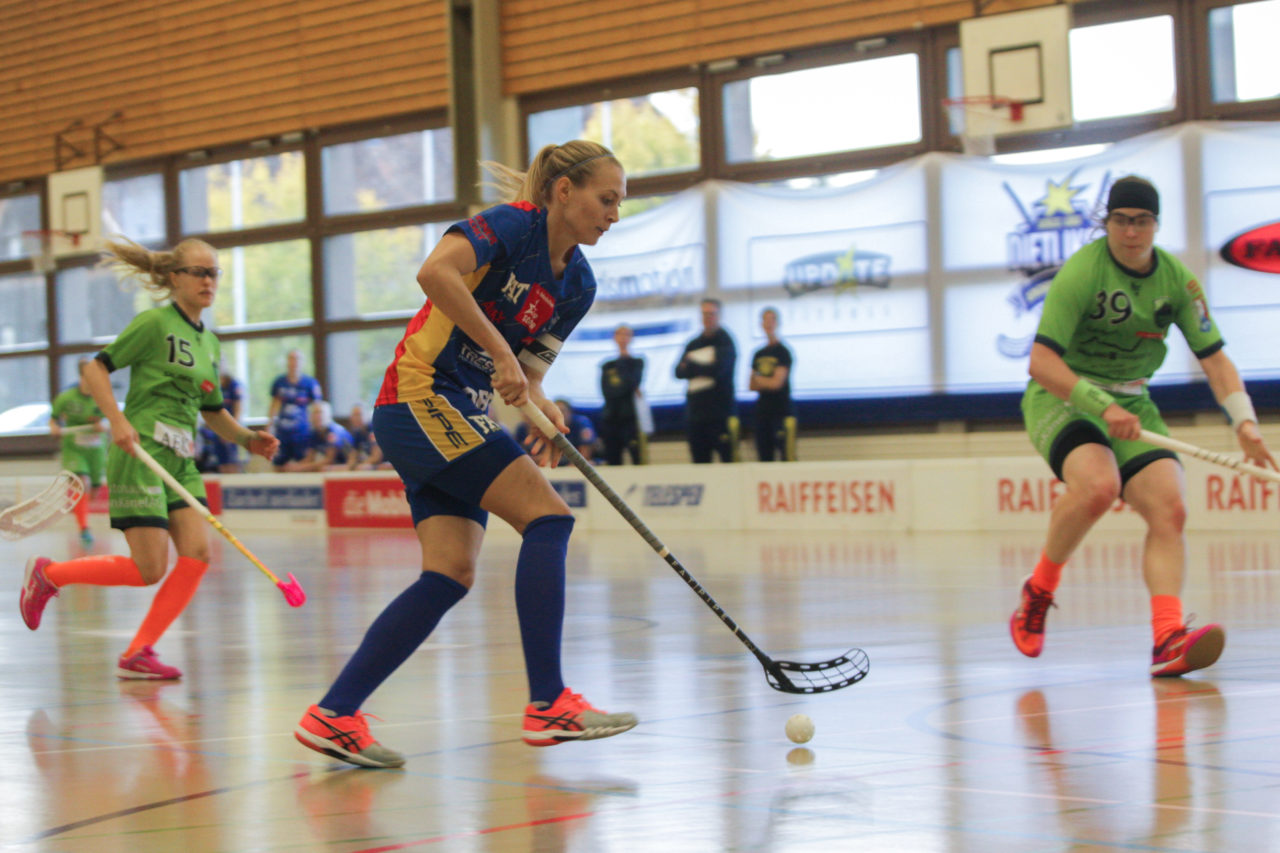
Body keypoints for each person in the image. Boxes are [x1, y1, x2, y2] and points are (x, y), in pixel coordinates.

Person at [293, 140, 637, 768]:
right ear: (565, 191)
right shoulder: (512, 226)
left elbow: (529, 376)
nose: (614, 213)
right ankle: (547, 702)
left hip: (462, 411)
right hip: (420, 395)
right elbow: (435, 274)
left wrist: (542, 405)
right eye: (606, 198)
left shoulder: (579, 284)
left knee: (449, 573)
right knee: (550, 519)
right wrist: (501, 356)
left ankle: (335, 713)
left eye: (619, 203)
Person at [1011, 175, 1276, 678]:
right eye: (1120, 221)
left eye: (1141, 222)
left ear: (1156, 225)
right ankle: (1039, 590)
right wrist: (1099, 405)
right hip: (1063, 396)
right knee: (1098, 485)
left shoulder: (1177, 281)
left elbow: (1216, 361)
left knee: (1170, 509)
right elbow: (1041, 363)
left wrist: (1246, 424)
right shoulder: (1082, 273)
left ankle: (1166, 639)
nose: (1130, 232)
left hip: (1132, 399)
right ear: (1107, 223)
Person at [20, 237, 279, 679]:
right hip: (141, 452)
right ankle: (50, 575)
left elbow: (212, 410)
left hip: (180, 460)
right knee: (149, 569)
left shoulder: (209, 344)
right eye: (198, 272)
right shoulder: (154, 324)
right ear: (174, 278)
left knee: (197, 553)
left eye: (214, 272)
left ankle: (139, 650)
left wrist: (246, 439)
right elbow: (94, 369)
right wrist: (117, 420)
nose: (207, 281)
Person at [50, 358, 109, 546]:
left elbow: (112, 420)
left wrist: (103, 426)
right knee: (81, 483)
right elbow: (53, 420)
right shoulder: (66, 398)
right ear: (81, 377)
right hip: (74, 449)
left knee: (94, 489)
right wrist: (55, 428)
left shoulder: (103, 397)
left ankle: (79, 507)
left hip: (96, 450)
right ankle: (84, 528)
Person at [674, 298, 737, 463]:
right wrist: (704, 366)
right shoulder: (694, 343)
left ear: (718, 316)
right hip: (696, 415)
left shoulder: (726, 342)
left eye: (711, 314)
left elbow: (718, 371)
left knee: (727, 462)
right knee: (699, 463)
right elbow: (678, 371)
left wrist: (692, 365)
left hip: (719, 414)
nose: (707, 318)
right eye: (704, 314)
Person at [748, 307, 796, 462]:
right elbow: (751, 384)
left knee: (785, 456)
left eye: (772, 320)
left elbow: (777, 383)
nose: (768, 324)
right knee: (764, 457)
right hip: (762, 412)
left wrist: (761, 380)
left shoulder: (783, 352)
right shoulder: (758, 354)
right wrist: (764, 381)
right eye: (765, 320)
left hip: (781, 411)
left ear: (777, 323)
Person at [598, 324, 646, 465]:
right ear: (614, 337)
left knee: (637, 457)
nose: (623, 338)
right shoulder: (607, 365)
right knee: (612, 458)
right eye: (620, 334)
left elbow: (632, 383)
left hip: (630, 418)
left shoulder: (637, 362)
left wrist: (623, 361)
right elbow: (607, 391)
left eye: (627, 335)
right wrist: (625, 389)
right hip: (611, 417)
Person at [268, 349, 323, 471]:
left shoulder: (310, 384)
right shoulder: (279, 382)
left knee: (305, 464)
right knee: (278, 464)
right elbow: (274, 406)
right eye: (291, 359)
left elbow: (317, 406)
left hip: (302, 432)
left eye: (297, 359)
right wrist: (270, 426)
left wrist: (316, 427)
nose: (294, 362)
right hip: (282, 432)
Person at [515, 398, 597, 465]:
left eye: (563, 411)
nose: (560, 414)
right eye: (557, 410)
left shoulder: (581, 423)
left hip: (571, 465)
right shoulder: (526, 427)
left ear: (570, 412)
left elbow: (585, 453)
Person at [195, 368, 244, 474]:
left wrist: (231, 430)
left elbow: (238, 408)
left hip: (230, 428)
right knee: (221, 462)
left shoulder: (233, 385)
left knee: (232, 461)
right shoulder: (211, 384)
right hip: (217, 429)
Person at [283, 400, 355, 472]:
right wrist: (296, 466)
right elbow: (310, 458)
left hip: (349, 465)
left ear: (328, 415)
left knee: (323, 469)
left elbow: (329, 460)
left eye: (320, 412)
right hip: (334, 466)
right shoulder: (314, 433)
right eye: (315, 413)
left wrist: (301, 467)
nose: (318, 416)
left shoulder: (334, 431)